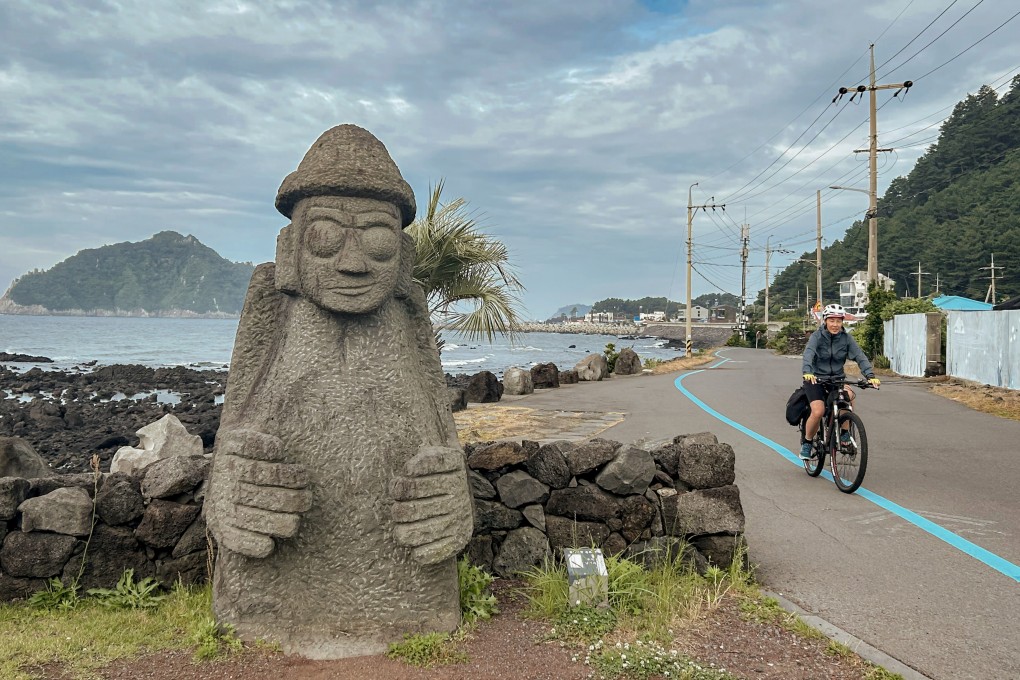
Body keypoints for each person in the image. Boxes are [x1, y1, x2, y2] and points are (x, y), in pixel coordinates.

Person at [799, 303, 880, 460]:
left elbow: (860, 356)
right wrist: (807, 372)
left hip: (837, 379)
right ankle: (807, 442)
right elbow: (808, 354)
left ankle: (844, 434)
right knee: (818, 411)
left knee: (848, 396)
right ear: (825, 321)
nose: (835, 325)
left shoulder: (846, 338)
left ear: (842, 322)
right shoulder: (817, 337)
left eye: (839, 321)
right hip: (815, 379)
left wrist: (870, 376)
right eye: (832, 321)